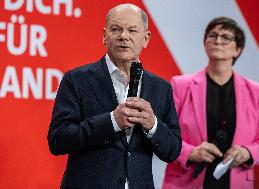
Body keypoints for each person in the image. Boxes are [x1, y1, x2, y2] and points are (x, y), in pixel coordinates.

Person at [48, 3, 181, 189]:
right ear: (104, 36)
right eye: (116, 29)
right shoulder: (77, 79)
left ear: (146, 38)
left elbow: (173, 150)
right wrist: (111, 122)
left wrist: (153, 125)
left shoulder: (161, 88)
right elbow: (58, 140)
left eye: (132, 30)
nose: (123, 36)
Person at [162, 17, 259, 189]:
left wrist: (247, 152)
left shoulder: (255, 90)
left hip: (236, 181)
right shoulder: (180, 85)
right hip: (185, 181)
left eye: (226, 37)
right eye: (212, 35)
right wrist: (191, 152)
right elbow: (162, 132)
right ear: (205, 44)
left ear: (237, 49)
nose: (218, 41)